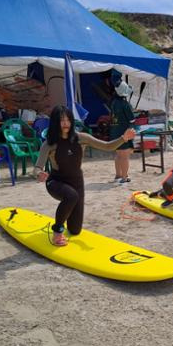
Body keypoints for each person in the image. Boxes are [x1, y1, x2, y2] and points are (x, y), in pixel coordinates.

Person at [34, 105, 135, 246]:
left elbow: (107, 146)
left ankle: (68, 215)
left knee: (75, 230)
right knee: (71, 196)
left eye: (68, 120)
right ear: (55, 122)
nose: (65, 124)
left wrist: (123, 138)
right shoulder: (49, 143)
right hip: (56, 182)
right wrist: (39, 173)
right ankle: (57, 232)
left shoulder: (81, 138)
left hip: (76, 182)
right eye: (61, 120)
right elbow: (37, 167)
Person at [110, 77, 136, 184]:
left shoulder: (113, 102)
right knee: (125, 156)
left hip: (114, 133)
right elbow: (132, 119)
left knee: (118, 155)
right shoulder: (125, 104)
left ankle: (118, 175)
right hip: (124, 133)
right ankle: (124, 178)